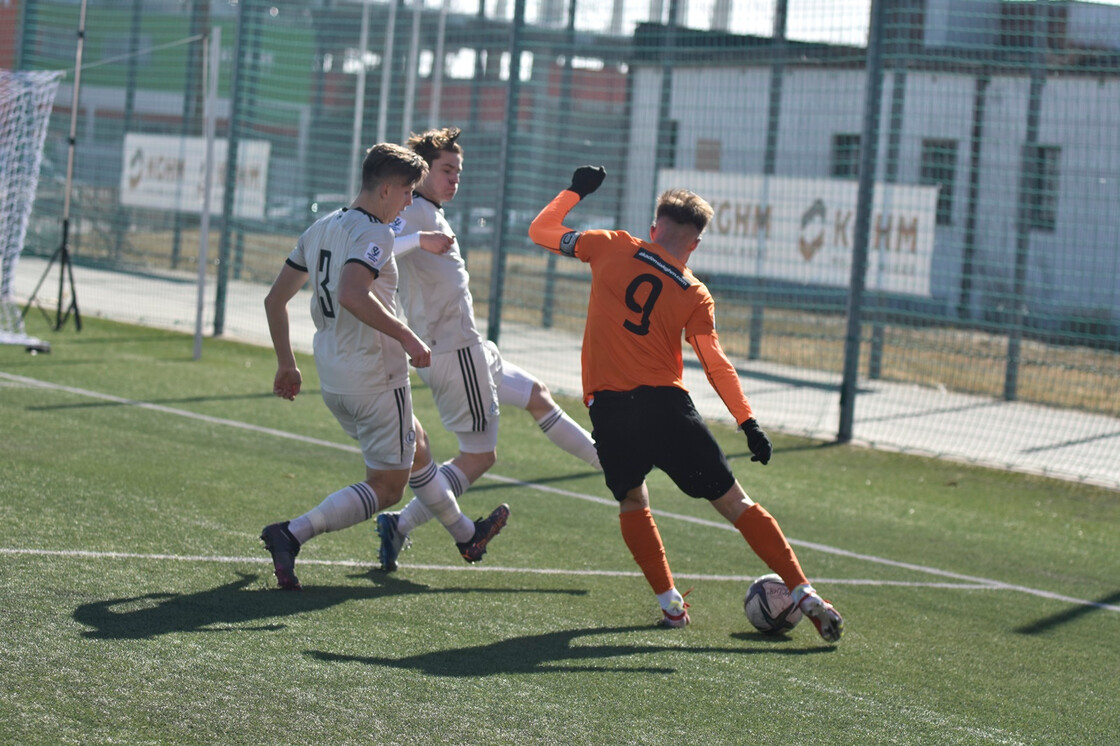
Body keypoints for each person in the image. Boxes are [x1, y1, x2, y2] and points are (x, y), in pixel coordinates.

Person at [527, 166, 844, 642]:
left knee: (634, 498)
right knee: (736, 502)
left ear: (655, 227)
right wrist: (748, 422)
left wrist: (575, 190)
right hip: (668, 410)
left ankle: (671, 605)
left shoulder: (611, 244)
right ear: (694, 243)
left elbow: (541, 231)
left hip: (613, 410)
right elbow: (715, 362)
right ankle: (803, 591)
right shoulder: (694, 293)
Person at [259, 142, 508, 590]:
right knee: (388, 487)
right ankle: (292, 534)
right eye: (410, 191)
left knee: (418, 445)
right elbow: (354, 294)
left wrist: (286, 365)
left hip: (334, 376)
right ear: (387, 189)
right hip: (376, 377)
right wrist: (407, 335)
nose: (412, 201)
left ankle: (467, 536)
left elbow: (275, 299)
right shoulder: (376, 232)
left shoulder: (320, 227)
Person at [374, 127, 600, 572]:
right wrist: (420, 241)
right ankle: (399, 525)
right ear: (420, 173)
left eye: (458, 171)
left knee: (537, 394)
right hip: (454, 353)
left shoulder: (428, 210)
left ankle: (609, 463)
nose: (454, 178)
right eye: (445, 170)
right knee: (480, 456)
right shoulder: (415, 212)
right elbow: (377, 248)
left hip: (470, 347)